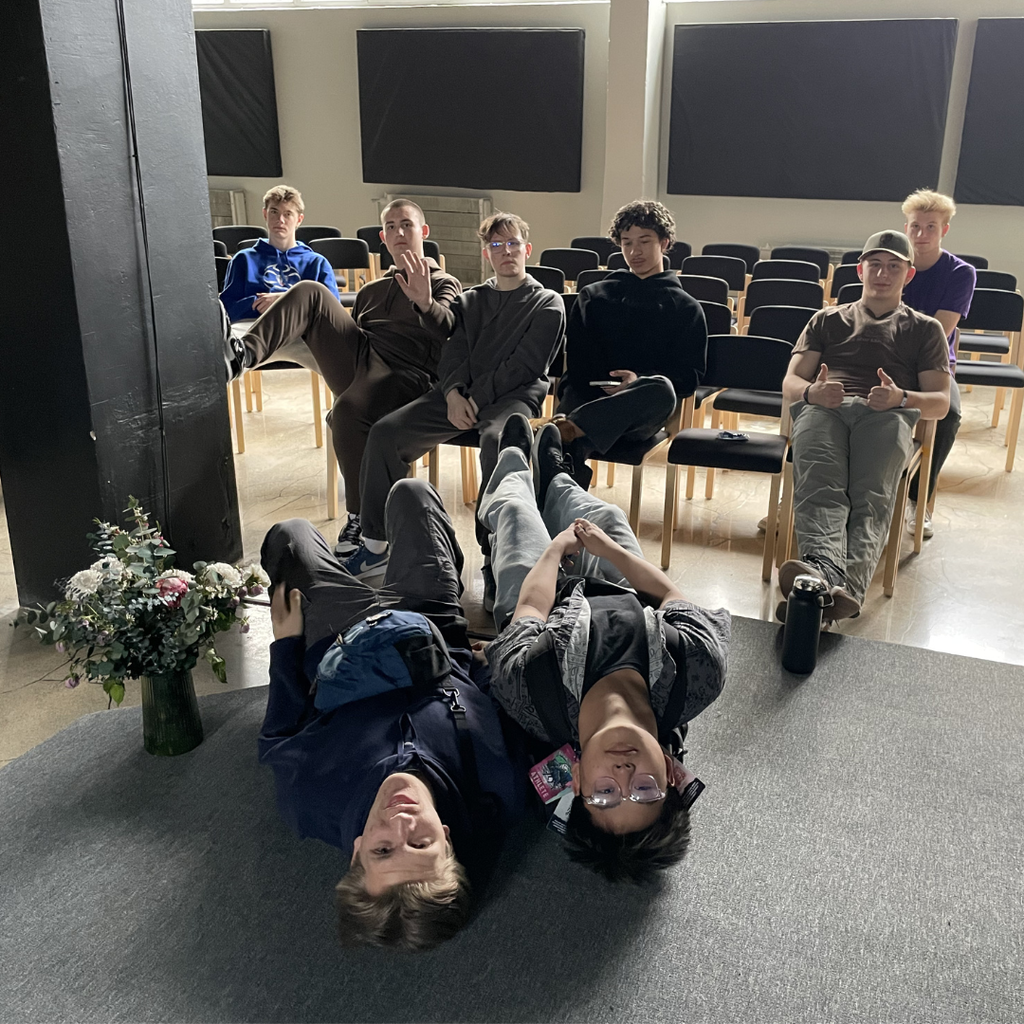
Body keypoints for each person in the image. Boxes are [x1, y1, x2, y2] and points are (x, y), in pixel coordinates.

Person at [256, 477, 527, 952]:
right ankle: (375, 547)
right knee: (411, 494)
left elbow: (277, 736)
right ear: (447, 839)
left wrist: (285, 647)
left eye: (384, 849)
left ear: (357, 851)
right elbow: (527, 723)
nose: (402, 824)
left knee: (290, 535)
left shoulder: (309, 800)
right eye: (421, 845)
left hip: (339, 643)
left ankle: (355, 560)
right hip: (432, 632)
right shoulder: (499, 790)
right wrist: (488, 663)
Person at [479, 413, 730, 882]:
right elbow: (672, 598)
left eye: (604, 795)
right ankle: (556, 476)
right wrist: (607, 550)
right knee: (607, 519)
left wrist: (556, 550)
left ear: (574, 784)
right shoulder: (696, 672)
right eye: (644, 790)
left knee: (516, 514)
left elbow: (532, 607)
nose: (623, 773)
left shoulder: (531, 691)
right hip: (621, 596)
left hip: (545, 608)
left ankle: (510, 464)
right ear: (673, 776)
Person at [343, 212, 565, 607]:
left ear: (527, 249)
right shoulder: (472, 300)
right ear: (487, 254)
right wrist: (451, 394)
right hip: (459, 396)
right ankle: (376, 544)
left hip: (512, 397)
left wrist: (475, 399)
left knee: (498, 442)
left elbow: (525, 365)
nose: (507, 252)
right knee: (385, 433)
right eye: (497, 246)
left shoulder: (548, 302)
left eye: (513, 244)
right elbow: (453, 353)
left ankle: (494, 550)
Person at [222, 199, 462, 554]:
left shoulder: (443, 282)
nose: (399, 233)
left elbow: (450, 335)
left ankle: (360, 519)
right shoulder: (370, 291)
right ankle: (241, 357)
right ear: (383, 237)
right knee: (311, 291)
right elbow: (353, 337)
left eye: (407, 225)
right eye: (391, 227)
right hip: (364, 359)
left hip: (408, 372)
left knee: (348, 411)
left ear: (423, 232)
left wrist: (425, 302)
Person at [777, 230, 951, 622]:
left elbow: (940, 403)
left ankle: (831, 591)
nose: (882, 274)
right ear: (860, 270)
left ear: (909, 275)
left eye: (894, 266)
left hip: (887, 414)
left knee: (869, 497)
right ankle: (826, 582)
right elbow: (791, 383)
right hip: (826, 410)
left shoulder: (925, 329)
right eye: (875, 264)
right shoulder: (826, 319)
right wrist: (813, 393)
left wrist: (902, 398)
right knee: (820, 489)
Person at [550, 200, 707, 487]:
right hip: (589, 394)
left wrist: (636, 382)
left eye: (644, 241)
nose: (635, 252)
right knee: (566, 446)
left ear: (665, 243)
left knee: (661, 387)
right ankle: (571, 440)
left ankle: (570, 427)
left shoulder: (685, 307)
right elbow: (578, 360)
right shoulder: (594, 296)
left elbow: (689, 377)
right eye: (626, 243)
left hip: (639, 412)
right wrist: (602, 386)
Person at [900, 189, 977, 538]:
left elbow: (940, 330)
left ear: (944, 230)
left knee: (949, 414)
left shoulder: (960, 273)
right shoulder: (896, 264)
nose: (921, 235)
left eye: (930, 227)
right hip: (890, 356)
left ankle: (918, 501)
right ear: (906, 227)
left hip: (933, 363)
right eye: (915, 226)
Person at [219, 185, 339, 323]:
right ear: (265, 214)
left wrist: (283, 300)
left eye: (288, 214)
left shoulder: (317, 263)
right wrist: (258, 303)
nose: (280, 220)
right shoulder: (244, 259)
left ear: (299, 220)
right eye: (274, 212)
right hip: (254, 327)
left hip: (303, 330)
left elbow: (332, 311)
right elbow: (227, 309)